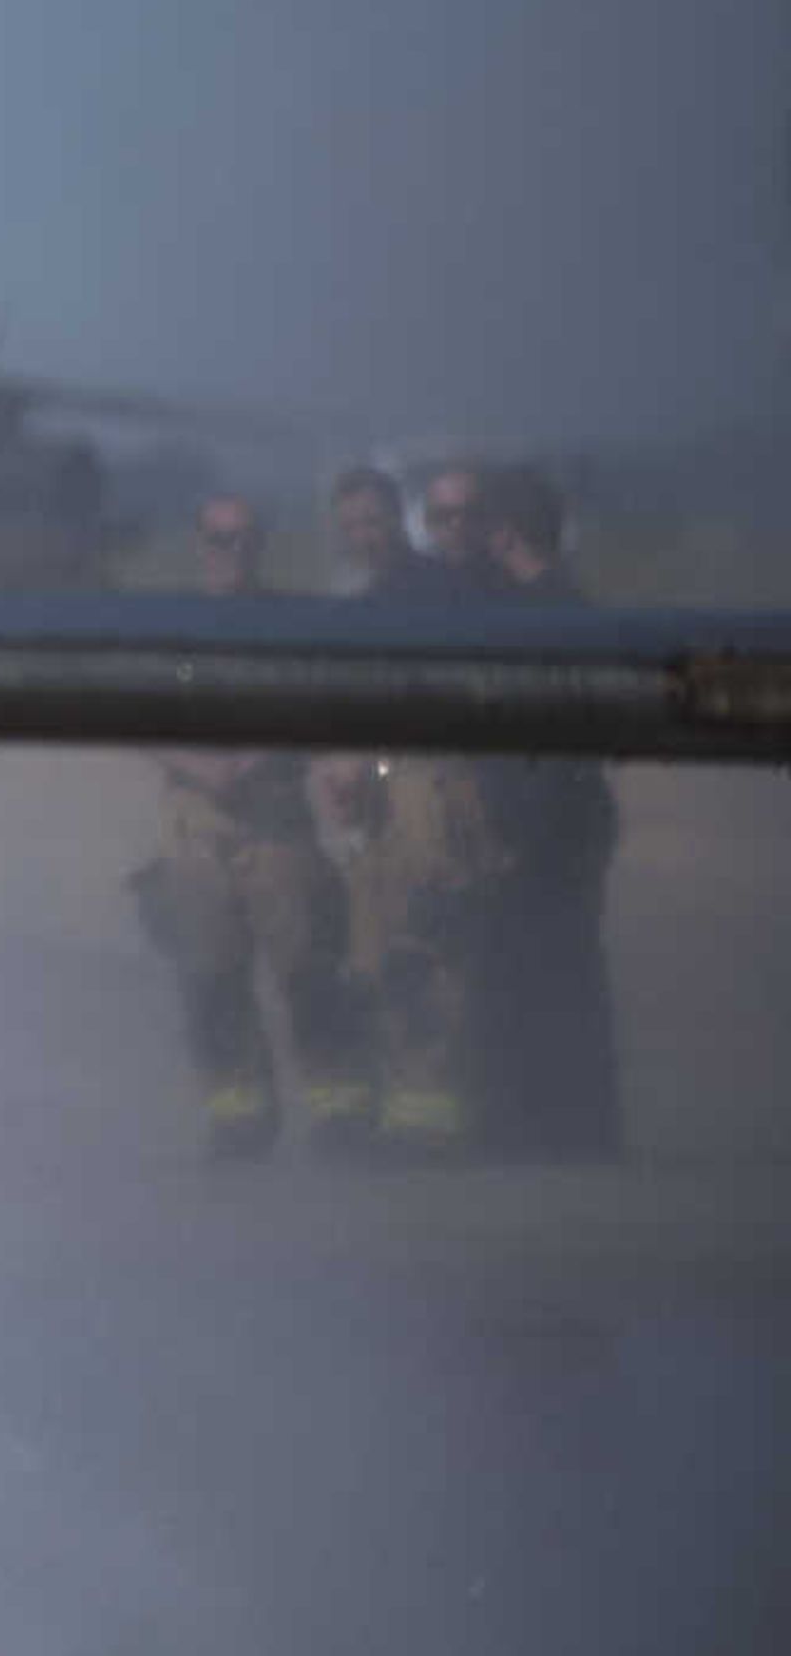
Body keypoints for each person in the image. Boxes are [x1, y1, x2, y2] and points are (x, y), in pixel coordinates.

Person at [129, 497, 377, 1158]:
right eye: (215, 539)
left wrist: (258, 755)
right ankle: (237, 1112)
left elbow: (321, 701)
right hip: (195, 818)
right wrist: (202, 765)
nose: (227, 552)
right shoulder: (176, 628)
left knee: (308, 966)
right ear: (197, 542)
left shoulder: (289, 623)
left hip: (276, 814)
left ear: (259, 544)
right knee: (209, 974)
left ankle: (340, 1106)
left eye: (240, 540)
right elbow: (137, 710)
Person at [326, 457, 509, 1156]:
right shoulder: (361, 607)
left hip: (436, 787)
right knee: (374, 953)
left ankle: (431, 1110)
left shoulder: (447, 592)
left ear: (396, 518)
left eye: (374, 520)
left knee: (430, 948)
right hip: (377, 796)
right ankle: (402, 1104)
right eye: (351, 527)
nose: (365, 535)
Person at [466, 465, 625, 1158]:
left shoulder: (541, 617)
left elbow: (553, 743)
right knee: (563, 970)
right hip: (566, 819)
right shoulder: (570, 607)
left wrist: (515, 831)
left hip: (545, 823)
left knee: (542, 971)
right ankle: (576, 1123)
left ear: (504, 533)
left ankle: (553, 1123)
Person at [329, 464, 422, 597]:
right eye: (348, 528)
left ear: (397, 519)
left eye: (372, 523)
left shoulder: (438, 585)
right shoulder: (343, 592)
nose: (360, 539)